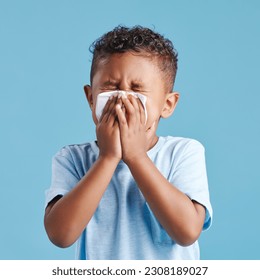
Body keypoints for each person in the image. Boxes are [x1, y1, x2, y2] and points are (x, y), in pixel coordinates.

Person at [44, 25, 212, 260]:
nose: (122, 98)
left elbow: (186, 232)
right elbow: (60, 235)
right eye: (111, 87)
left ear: (167, 104)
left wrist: (136, 157)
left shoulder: (183, 152)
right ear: (91, 98)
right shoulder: (72, 159)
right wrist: (108, 157)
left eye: (137, 89)